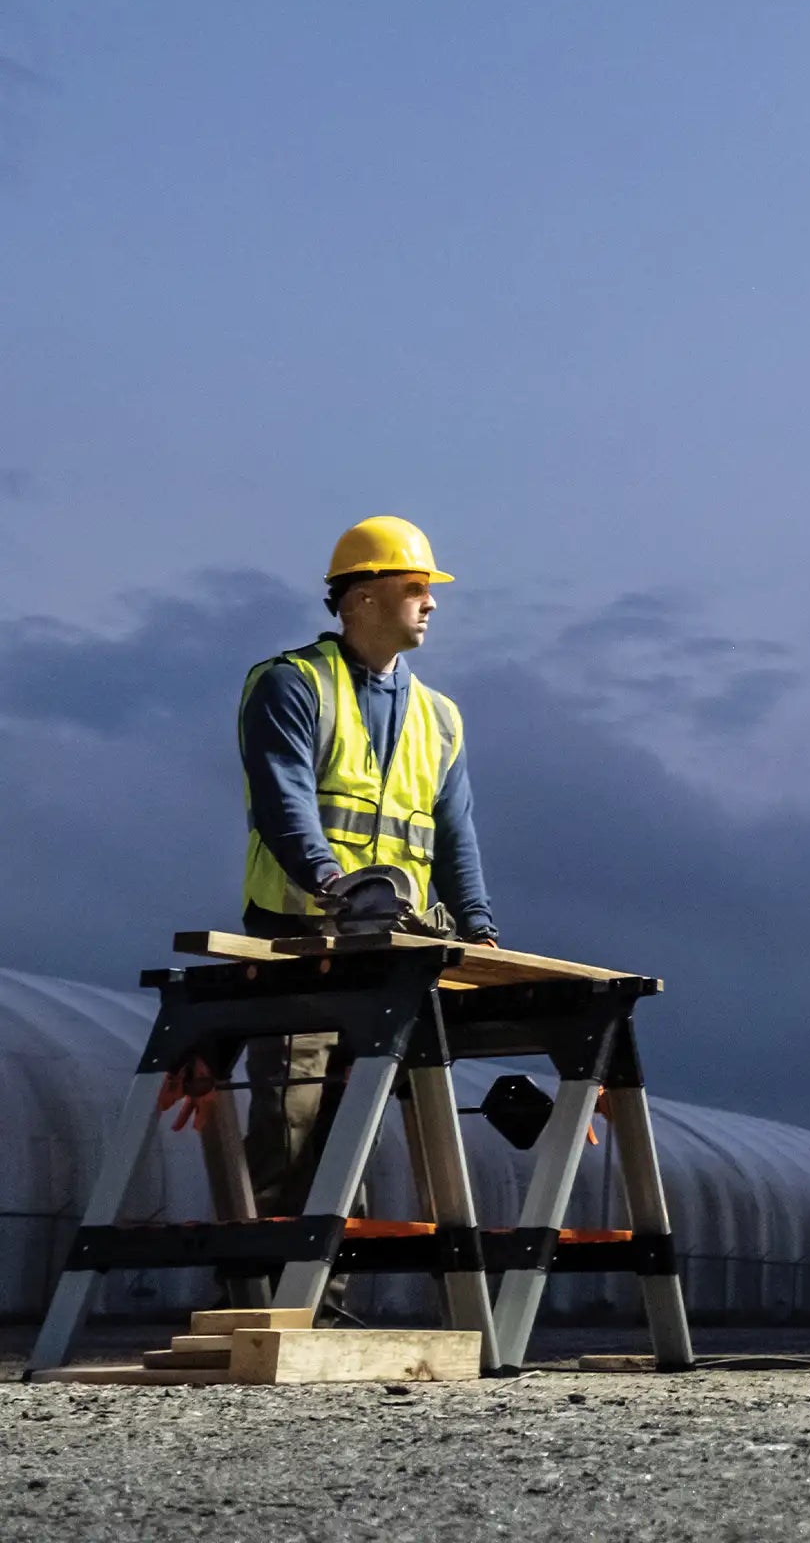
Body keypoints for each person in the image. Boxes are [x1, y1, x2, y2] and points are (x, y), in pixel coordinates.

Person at [236, 517, 498, 1214]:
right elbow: (282, 803)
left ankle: (326, 1302)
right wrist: (332, 883)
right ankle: (257, 1294)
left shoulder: (439, 718)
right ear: (361, 598)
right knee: (287, 1125)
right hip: (301, 948)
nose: (432, 602)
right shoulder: (292, 686)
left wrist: (478, 927)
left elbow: (454, 831)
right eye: (414, 586)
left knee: (352, 1136)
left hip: (390, 959)